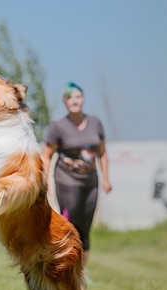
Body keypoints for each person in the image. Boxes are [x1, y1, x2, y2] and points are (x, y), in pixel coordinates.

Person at [42, 82, 112, 266]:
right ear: (65, 101)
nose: (75, 100)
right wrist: (45, 180)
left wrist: (106, 178)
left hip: (90, 183)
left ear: (83, 99)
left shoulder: (95, 123)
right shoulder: (58, 127)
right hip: (66, 182)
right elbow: (47, 155)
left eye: (78, 96)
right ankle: (64, 266)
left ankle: (80, 271)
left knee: (85, 227)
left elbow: (102, 153)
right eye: (70, 97)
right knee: (69, 225)